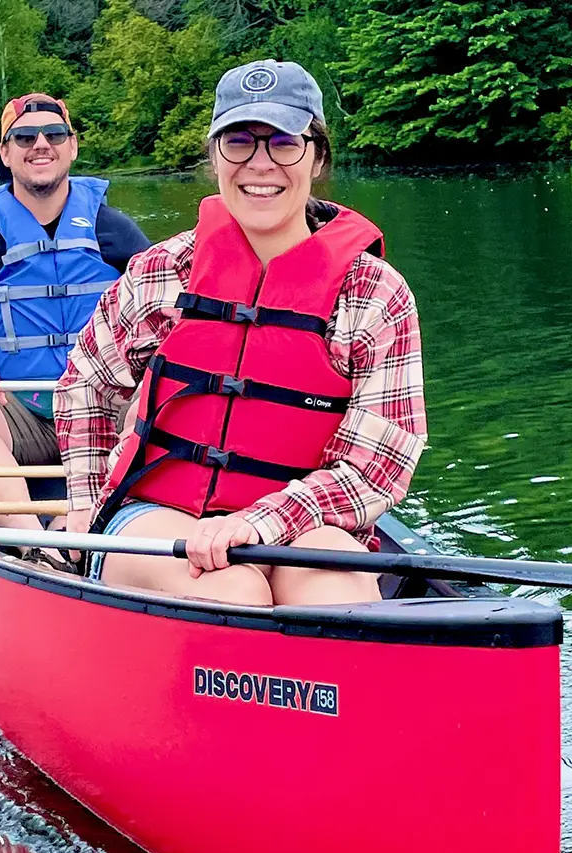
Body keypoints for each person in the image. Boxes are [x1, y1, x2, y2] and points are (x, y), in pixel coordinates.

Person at [55, 60, 427, 606]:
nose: (260, 164)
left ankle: (345, 684)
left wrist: (261, 520)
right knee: (235, 589)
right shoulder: (162, 271)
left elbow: (379, 465)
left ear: (317, 156)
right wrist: (85, 504)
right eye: (239, 142)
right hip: (157, 517)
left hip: (302, 522)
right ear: (214, 155)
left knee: (336, 588)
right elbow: (87, 381)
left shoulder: (373, 292)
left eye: (283, 142)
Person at [0, 93, 151, 559]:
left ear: (72, 147)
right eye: (24, 137)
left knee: (161, 395)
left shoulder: (117, 232)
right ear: (6, 153)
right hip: (21, 412)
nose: (40, 144)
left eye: (53, 135)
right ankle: (35, 547)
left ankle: (81, 520)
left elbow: (171, 326)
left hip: (107, 409)